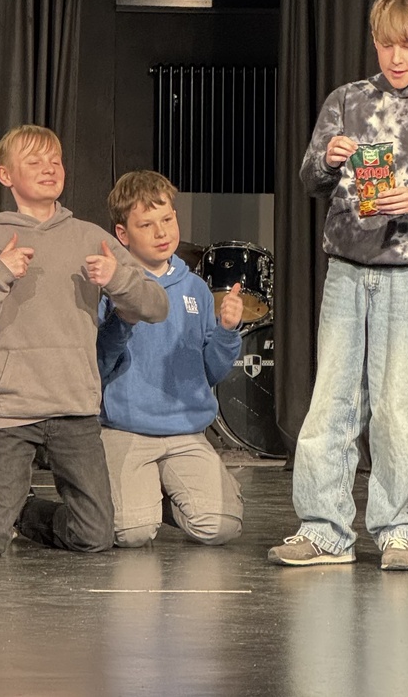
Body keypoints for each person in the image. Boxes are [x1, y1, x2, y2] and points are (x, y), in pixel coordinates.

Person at [268, 0, 408, 571]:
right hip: (347, 271)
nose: (396, 57)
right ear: (374, 41)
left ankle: (396, 531)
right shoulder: (347, 100)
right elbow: (310, 178)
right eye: (387, 44)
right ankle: (324, 529)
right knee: (331, 402)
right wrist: (327, 159)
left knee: (399, 409)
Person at [0, 125, 169, 556]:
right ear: (5, 175)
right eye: (34, 162)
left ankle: (21, 512)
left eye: (55, 161)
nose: (49, 169)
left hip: (74, 409)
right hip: (10, 412)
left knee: (95, 535)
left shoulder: (90, 237)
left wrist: (118, 279)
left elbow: (157, 306)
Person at [96, 170, 245, 547]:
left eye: (167, 219)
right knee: (131, 533)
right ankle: (142, 499)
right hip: (126, 429)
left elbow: (210, 371)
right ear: (123, 234)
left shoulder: (195, 288)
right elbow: (97, 365)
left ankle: (168, 495)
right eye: (146, 225)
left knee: (221, 527)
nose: (161, 232)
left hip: (185, 432)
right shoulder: (109, 287)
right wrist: (122, 319)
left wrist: (227, 331)